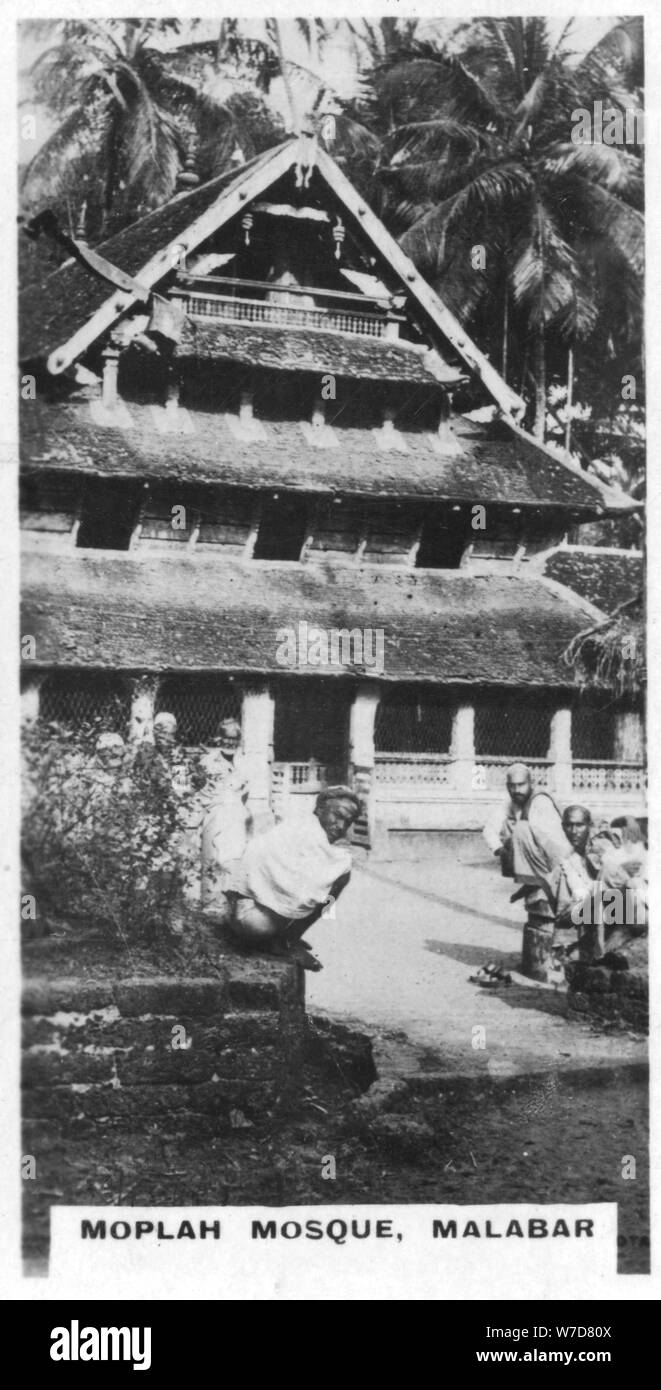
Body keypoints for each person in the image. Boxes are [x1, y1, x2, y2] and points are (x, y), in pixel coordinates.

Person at [223, 786, 362, 970]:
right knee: (343, 874)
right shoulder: (312, 836)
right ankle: (286, 941)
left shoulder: (300, 823)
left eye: (348, 821)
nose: (342, 826)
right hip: (252, 921)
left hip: (238, 910)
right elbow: (308, 897)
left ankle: (287, 936)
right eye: (338, 815)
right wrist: (323, 907)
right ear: (320, 809)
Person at [483, 763, 570, 921]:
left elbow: (554, 845)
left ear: (532, 783)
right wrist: (500, 850)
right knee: (511, 829)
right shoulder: (512, 801)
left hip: (557, 860)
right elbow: (489, 829)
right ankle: (532, 880)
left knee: (521, 829)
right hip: (537, 858)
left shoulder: (540, 802)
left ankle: (539, 882)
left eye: (521, 785)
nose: (516, 790)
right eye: (512, 786)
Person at [199, 718, 252, 909]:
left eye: (234, 738)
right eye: (226, 737)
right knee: (214, 857)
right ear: (219, 737)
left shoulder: (243, 763)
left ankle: (228, 904)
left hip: (236, 818)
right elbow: (199, 793)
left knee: (234, 857)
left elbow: (245, 794)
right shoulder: (207, 761)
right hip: (214, 816)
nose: (230, 742)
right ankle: (211, 905)